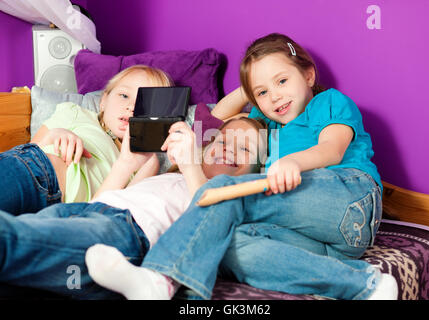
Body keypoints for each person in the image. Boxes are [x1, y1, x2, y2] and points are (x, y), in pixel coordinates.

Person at [86, 33, 398, 300]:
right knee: (227, 245)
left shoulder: (327, 102)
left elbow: (332, 149)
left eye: (282, 81)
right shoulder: (266, 122)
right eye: (262, 92)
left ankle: (160, 277)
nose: (274, 96)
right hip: (334, 245)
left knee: (223, 191)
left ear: (308, 75)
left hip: (350, 200)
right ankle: (366, 284)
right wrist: (251, 90)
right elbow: (220, 115)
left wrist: (294, 162)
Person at [0, 117, 267, 299]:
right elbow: (103, 200)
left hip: (126, 233)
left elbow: (209, 214)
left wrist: (190, 165)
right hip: (84, 212)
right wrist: (126, 163)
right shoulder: (168, 177)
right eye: (221, 142)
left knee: (15, 239)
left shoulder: (231, 193)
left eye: (244, 147)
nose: (228, 149)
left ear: (258, 169)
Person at [0, 65, 169, 215]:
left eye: (146, 102)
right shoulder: (77, 114)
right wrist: (54, 135)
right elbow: (31, 148)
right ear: (103, 101)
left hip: (60, 216)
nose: (132, 107)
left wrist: (130, 164)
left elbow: (105, 212)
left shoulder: (145, 160)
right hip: (37, 171)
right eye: (124, 95)